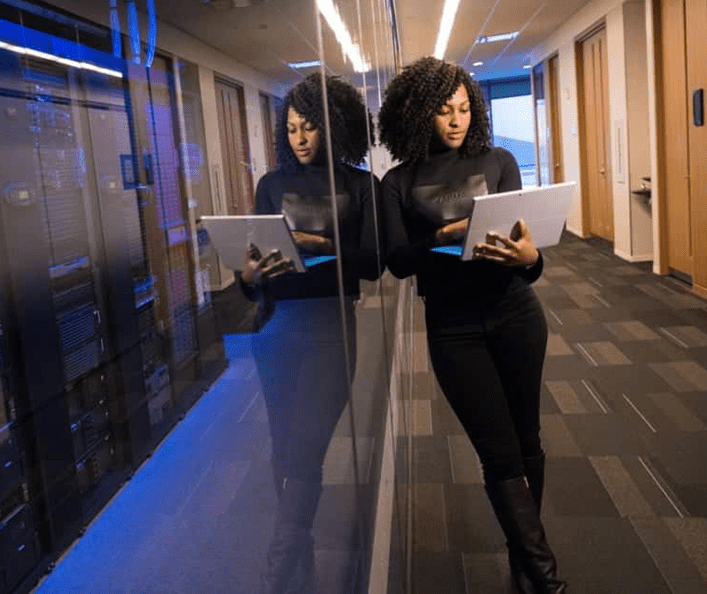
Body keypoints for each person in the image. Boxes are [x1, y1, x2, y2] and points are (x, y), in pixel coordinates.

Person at [377, 56, 566, 594]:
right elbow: (397, 260)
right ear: (418, 114)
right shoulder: (399, 181)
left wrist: (529, 256)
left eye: (464, 108)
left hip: (515, 314)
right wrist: (446, 235)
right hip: (453, 326)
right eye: (443, 110)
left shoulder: (500, 160)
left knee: (527, 436)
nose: (456, 120)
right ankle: (547, 577)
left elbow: (527, 262)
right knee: (497, 450)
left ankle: (524, 554)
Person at [239, 72, 381, 594]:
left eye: (310, 127)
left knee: (305, 448)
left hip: (330, 326)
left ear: (334, 126)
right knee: (284, 450)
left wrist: (313, 242)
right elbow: (252, 271)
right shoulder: (270, 185)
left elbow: (371, 264)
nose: (299, 138)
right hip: (277, 327)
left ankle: (277, 568)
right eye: (292, 128)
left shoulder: (360, 185)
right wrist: (249, 277)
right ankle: (296, 546)